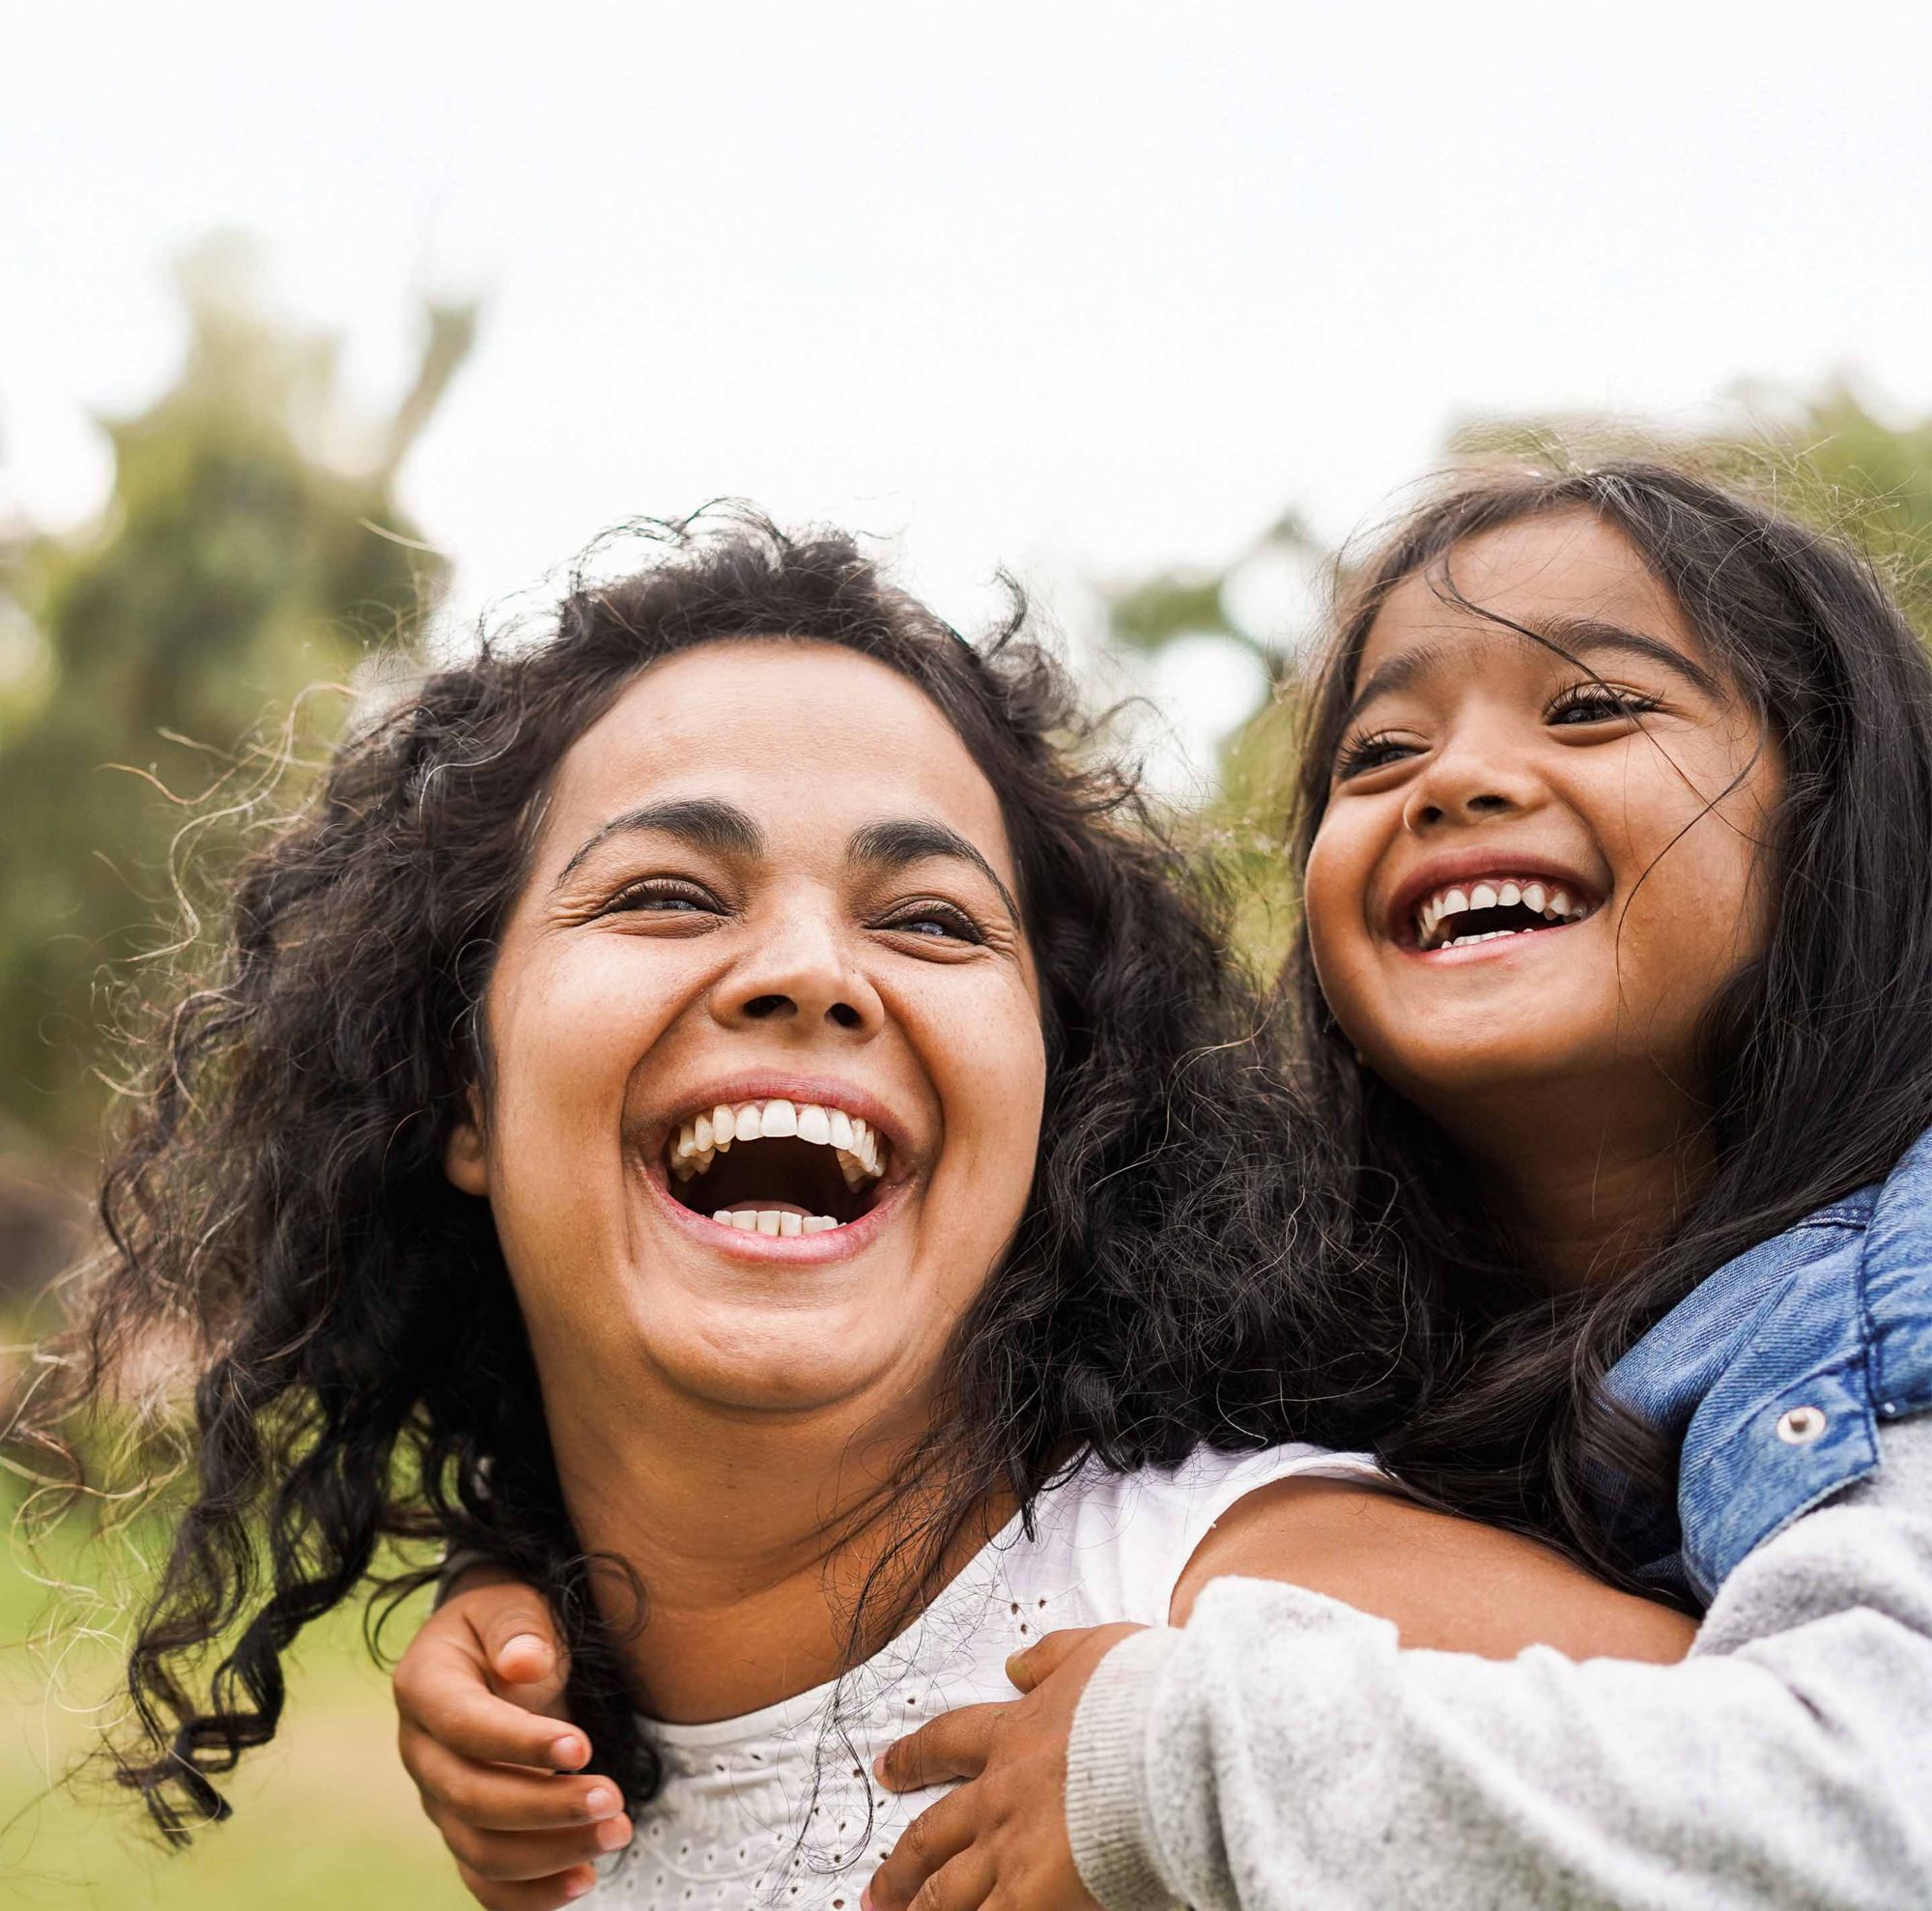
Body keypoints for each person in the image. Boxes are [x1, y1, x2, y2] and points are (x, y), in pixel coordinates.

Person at [18, 511, 1689, 1911]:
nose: (814, 971)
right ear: (460, 1088)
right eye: (667, 892)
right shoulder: (560, 1741)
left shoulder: (1253, 1619)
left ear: (1058, 1100)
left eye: (936, 919)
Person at [855, 462, 1932, 1907]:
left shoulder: (1893, 1290)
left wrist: (1183, 1764)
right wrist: (554, 1626)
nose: (1456, 780)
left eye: (1593, 706)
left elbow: (1878, 1804)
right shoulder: (1335, 1332)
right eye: (1378, 754)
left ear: (1835, 816)